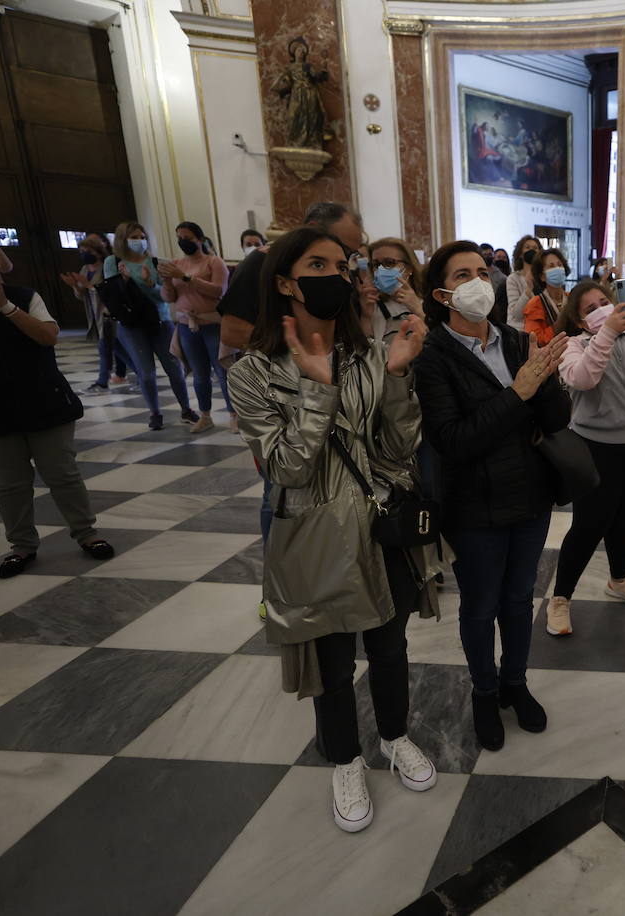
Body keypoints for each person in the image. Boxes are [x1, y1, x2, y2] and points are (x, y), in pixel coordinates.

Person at [226, 225, 440, 834]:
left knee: (390, 644)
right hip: (315, 536)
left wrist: (397, 376)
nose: (335, 276)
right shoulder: (252, 374)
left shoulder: (369, 355)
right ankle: (345, 758)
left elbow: (401, 448)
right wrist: (317, 392)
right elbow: (287, 469)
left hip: (379, 526)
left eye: (342, 267)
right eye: (317, 265)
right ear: (287, 282)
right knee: (332, 658)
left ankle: (396, 736)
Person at [413, 240, 570, 752]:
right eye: (462, 275)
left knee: (519, 598)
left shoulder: (516, 340)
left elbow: (556, 421)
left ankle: (515, 682)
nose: (478, 282)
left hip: (528, 497)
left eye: (482, 272)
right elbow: (454, 442)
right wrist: (519, 393)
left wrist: (546, 381)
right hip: (473, 506)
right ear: (441, 293)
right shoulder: (433, 357)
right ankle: (484, 691)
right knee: (481, 605)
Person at [545, 280, 625, 636]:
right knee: (590, 525)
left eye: (604, 301)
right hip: (596, 447)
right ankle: (560, 598)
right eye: (590, 309)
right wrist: (605, 334)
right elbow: (583, 379)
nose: (601, 309)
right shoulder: (575, 345)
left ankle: (620, 579)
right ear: (577, 318)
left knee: (624, 518)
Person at [0, 248, 115, 578]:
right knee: (9, 484)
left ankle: (87, 534)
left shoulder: (24, 296)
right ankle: (22, 546)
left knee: (62, 474)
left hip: (44, 401)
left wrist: (5, 307)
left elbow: (48, 336)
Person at [219, 201, 365, 351]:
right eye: (342, 248)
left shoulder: (343, 274)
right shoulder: (263, 262)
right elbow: (233, 332)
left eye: (349, 255)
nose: (341, 261)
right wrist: (300, 356)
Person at [103, 221, 197, 431]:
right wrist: (125, 280)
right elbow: (114, 295)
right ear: (123, 239)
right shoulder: (113, 262)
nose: (140, 241)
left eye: (142, 236)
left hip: (160, 321)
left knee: (174, 368)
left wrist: (148, 283)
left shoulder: (156, 263)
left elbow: (164, 296)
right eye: (134, 237)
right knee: (145, 372)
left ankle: (186, 409)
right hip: (131, 324)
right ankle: (155, 413)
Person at [160, 221, 230, 433]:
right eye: (179, 237)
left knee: (223, 370)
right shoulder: (176, 263)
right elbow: (168, 297)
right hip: (186, 326)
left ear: (199, 239)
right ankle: (205, 415)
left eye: (188, 237)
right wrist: (167, 281)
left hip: (212, 325)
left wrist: (185, 278)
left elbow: (218, 291)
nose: (183, 241)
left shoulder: (214, 262)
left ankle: (234, 414)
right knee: (199, 373)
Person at [61, 233, 129, 394]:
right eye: (81, 250)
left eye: (87, 250)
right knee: (119, 350)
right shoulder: (85, 269)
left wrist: (89, 285)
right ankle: (143, 375)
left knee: (104, 348)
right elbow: (81, 295)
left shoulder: (107, 267)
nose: (84, 253)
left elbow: (109, 293)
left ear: (97, 251)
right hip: (95, 316)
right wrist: (75, 286)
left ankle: (102, 382)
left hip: (108, 315)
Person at [366, 238, 426, 339]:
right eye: (376, 264)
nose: (380, 270)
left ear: (409, 268)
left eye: (389, 263)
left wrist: (418, 310)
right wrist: (365, 317)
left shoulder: (431, 302)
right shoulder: (371, 305)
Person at [522, 248, 570, 346]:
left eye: (560, 265)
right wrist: (560, 323)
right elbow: (536, 340)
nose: (557, 268)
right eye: (551, 266)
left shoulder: (572, 298)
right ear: (542, 276)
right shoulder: (535, 305)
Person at [505, 234, 543, 326]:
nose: (531, 250)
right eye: (527, 247)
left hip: (539, 328)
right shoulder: (513, 278)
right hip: (518, 329)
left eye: (535, 248)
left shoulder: (543, 277)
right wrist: (528, 290)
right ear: (521, 253)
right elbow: (517, 314)